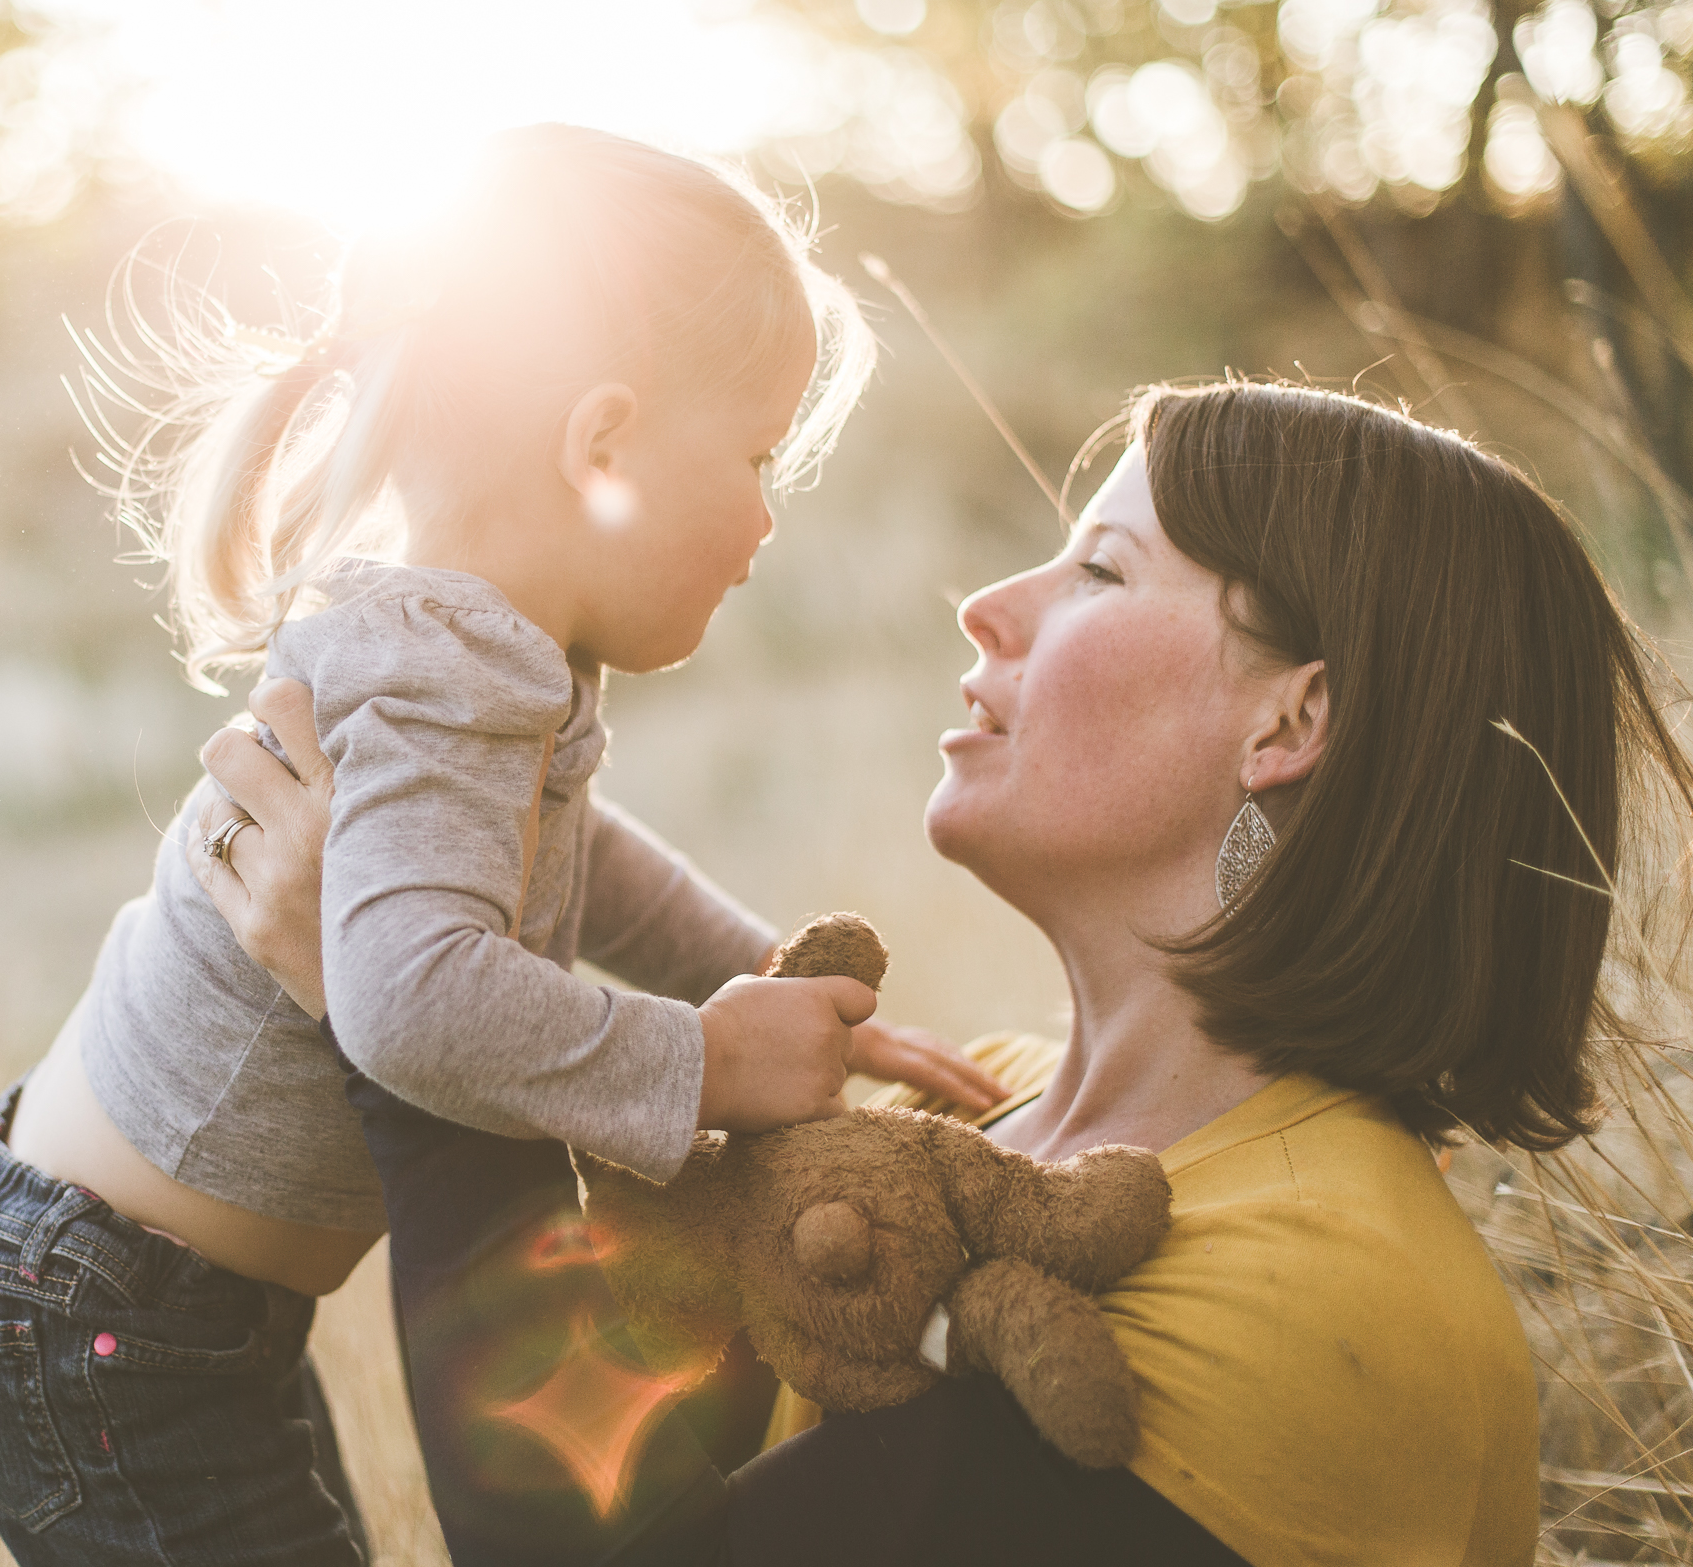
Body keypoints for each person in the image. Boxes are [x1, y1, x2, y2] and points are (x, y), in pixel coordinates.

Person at [193, 381, 1688, 1565]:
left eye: (1102, 567)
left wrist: (410, 1011)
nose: (990, 604)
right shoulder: (990, 1124)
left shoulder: (1319, 1298)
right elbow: (630, 1460)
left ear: (1291, 726)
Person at [0, 125, 1009, 1567]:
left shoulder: (484, 650)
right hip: (106, 1309)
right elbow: (415, 999)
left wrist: (755, 973)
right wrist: (709, 1061)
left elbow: (583, 859)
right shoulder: (449, 669)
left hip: (148, 1294)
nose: (765, 522)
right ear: (602, 440)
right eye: (756, 457)